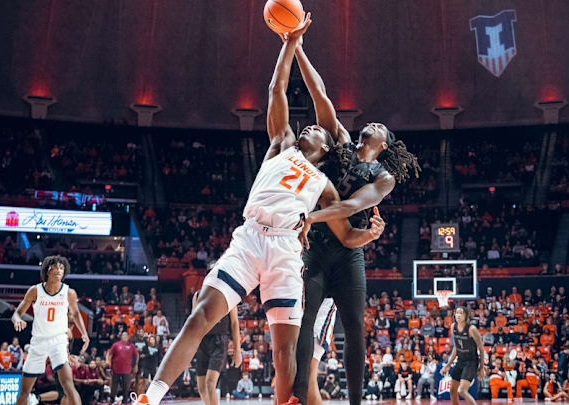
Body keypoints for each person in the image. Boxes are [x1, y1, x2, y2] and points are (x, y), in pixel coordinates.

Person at [135, 14, 386, 405]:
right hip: (250, 239)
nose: (308, 128)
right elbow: (277, 90)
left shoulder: (325, 185)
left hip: (287, 251)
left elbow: (346, 235)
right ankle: (150, 396)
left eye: (316, 130)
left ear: (326, 148)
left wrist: (367, 234)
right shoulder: (280, 144)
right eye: (307, 127)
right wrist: (290, 42)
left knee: (284, 353)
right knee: (201, 314)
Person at [291, 18, 421, 405]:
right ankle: (298, 395)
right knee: (303, 326)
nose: (374, 123)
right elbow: (320, 95)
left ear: (384, 145)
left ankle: (355, 403)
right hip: (314, 250)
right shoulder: (341, 142)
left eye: (380, 126)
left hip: (348, 256)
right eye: (372, 122)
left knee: (355, 334)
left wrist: (311, 217)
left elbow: (350, 205)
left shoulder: (383, 178)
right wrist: (296, 46)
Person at [13, 255, 89, 405]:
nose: (59, 270)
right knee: (24, 392)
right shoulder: (35, 291)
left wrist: (85, 334)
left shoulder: (69, 292)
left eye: (62, 268)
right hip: (38, 342)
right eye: (56, 267)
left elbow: (75, 314)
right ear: (48, 270)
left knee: (69, 386)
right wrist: (18, 320)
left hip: (58, 341)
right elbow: (16, 313)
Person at [193, 288, 242, 405]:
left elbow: (235, 324)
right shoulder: (198, 294)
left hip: (219, 341)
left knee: (210, 383)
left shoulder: (230, 295)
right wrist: (190, 350)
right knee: (201, 387)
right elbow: (194, 322)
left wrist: (237, 351)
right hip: (202, 340)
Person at [441, 307, 486, 405]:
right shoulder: (453, 327)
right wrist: (448, 364)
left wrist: (481, 368)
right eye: (457, 313)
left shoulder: (471, 329)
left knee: (461, 391)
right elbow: (456, 348)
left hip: (471, 362)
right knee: (452, 390)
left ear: (466, 316)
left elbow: (481, 349)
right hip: (460, 360)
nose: (458, 315)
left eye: (461, 313)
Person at [107, 331, 139, 402]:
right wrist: (108, 362)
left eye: (126, 335)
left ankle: (125, 400)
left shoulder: (131, 345)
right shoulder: (116, 345)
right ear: (121, 337)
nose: (124, 336)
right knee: (114, 385)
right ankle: (112, 399)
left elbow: (136, 355)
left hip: (127, 369)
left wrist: (136, 364)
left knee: (126, 385)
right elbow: (109, 353)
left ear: (128, 337)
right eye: (123, 335)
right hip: (116, 368)